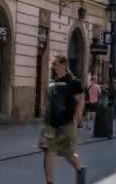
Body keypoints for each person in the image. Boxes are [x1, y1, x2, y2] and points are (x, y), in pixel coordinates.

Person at [40, 55, 85, 184]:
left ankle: (79, 169)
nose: (52, 66)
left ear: (63, 65)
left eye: (54, 63)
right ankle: (49, 181)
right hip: (50, 124)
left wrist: (76, 119)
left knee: (68, 153)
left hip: (67, 123)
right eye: (52, 64)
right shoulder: (51, 81)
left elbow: (80, 102)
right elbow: (48, 101)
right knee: (48, 150)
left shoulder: (74, 82)